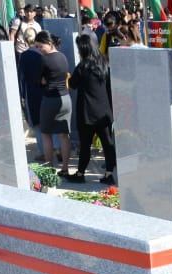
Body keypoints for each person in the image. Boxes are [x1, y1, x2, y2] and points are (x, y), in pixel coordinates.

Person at [67, 33, 115, 185]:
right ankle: (108, 174)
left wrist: (67, 77)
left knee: (85, 144)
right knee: (108, 144)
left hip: (86, 112)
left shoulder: (82, 66)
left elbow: (72, 84)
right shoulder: (104, 64)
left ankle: (80, 173)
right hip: (104, 112)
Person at [33, 30, 71, 175]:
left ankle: (49, 169)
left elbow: (39, 80)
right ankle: (65, 168)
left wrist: (43, 80)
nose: (39, 50)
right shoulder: (63, 56)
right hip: (66, 98)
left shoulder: (44, 60)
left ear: (49, 44)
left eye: (40, 46)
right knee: (63, 134)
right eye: (37, 47)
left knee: (46, 133)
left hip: (50, 100)